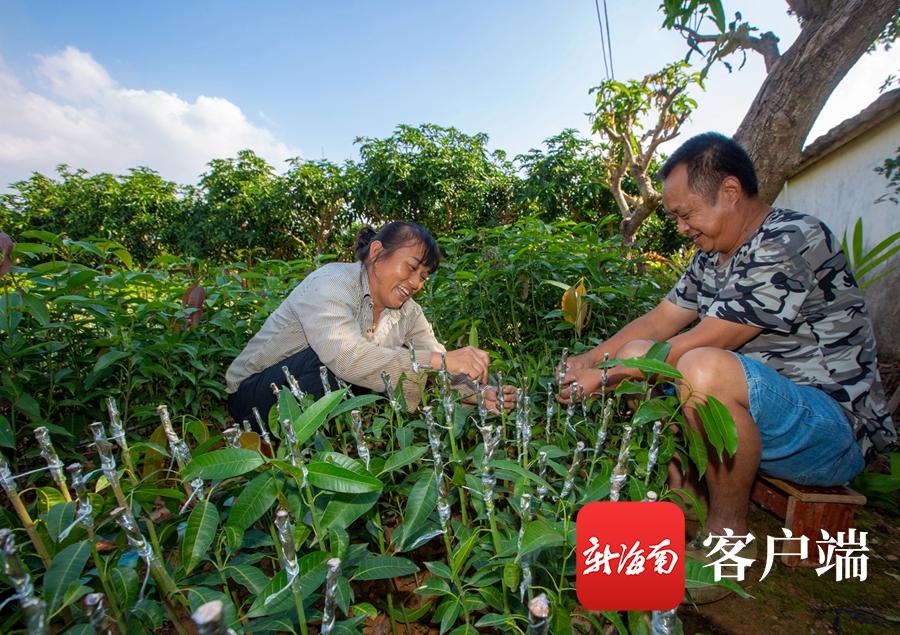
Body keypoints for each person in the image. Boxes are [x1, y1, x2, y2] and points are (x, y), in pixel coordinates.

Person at [559, 133, 894, 589]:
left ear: (730, 192)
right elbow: (658, 323)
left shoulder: (791, 237)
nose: (680, 227)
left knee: (699, 367)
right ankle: (677, 510)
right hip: (764, 422)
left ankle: (727, 542)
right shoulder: (710, 259)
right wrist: (584, 359)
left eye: (685, 214)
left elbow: (716, 336)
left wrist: (606, 374)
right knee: (646, 356)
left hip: (833, 432)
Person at [226, 221, 516, 425]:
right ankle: (279, 447)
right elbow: (348, 357)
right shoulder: (331, 283)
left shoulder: (409, 312)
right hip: (255, 395)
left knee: (397, 368)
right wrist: (440, 360)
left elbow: (435, 361)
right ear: (377, 253)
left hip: (313, 394)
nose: (416, 283)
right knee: (339, 365)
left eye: (424, 277)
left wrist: (478, 395)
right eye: (412, 268)